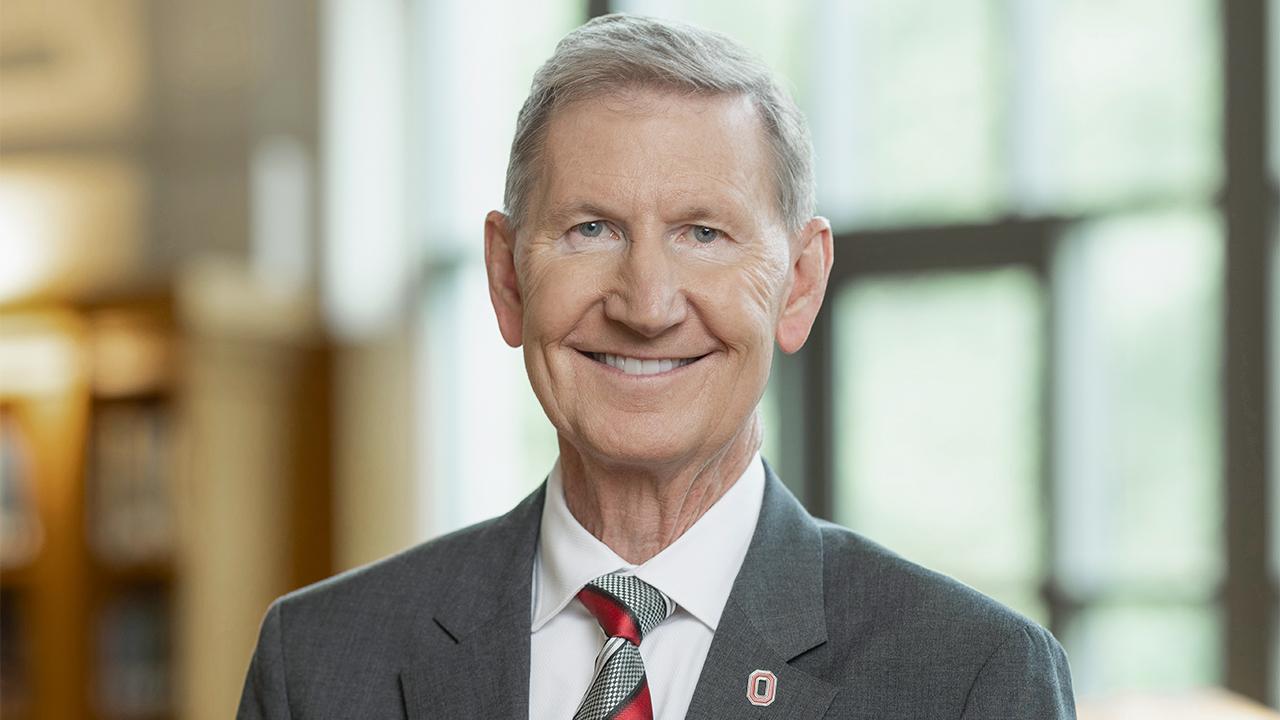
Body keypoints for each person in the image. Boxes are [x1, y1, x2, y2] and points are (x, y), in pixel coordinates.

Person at [238, 14, 1075, 720]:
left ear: (800, 285)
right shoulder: (317, 667)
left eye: (703, 233)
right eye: (591, 229)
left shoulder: (972, 681)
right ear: (506, 279)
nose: (646, 304)